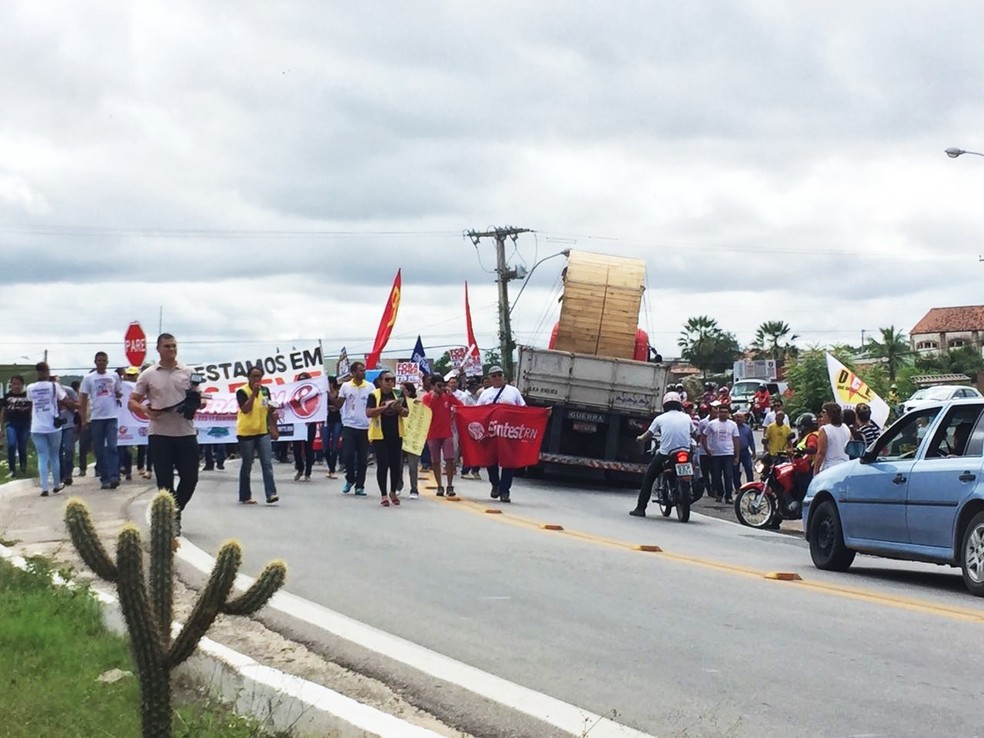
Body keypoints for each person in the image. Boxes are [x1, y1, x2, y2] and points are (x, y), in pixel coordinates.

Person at [129, 333, 203, 535]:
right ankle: (168, 520)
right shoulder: (148, 374)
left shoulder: (188, 372)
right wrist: (145, 409)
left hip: (185, 432)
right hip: (160, 433)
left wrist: (196, 403)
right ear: (158, 349)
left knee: (190, 478)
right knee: (165, 480)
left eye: (174, 346)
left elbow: (201, 397)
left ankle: (174, 512)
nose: (171, 349)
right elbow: (132, 401)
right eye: (167, 346)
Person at [630, 391, 695, 517]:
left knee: (649, 477)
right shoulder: (686, 417)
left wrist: (640, 439)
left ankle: (640, 508)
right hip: (685, 451)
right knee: (694, 472)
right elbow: (693, 432)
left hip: (666, 453)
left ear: (665, 405)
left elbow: (648, 434)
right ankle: (692, 485)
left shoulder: (660, 418)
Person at [476, 365, 526, 503]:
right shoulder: (485, 394)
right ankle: (495, 485)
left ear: (504, 376)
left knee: (508, 462)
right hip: (491, 434)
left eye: (499, 375)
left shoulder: (513, 392)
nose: (497, 378)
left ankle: (505, 491)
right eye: (494, 376)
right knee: (490, 461)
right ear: (489, 379)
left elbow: (523, 409)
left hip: (508, 433)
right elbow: (477, 412)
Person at [26, 362, 74, 497]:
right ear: (47, 372)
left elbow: (30, 400)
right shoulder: (54, 386)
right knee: (54, 456)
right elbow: (65, 399)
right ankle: (57, 484)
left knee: (42, 457)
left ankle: (44, 488)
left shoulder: (30, 388)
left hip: (36, 427)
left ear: (37, 372)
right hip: (53, 426)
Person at [79, 351, 123, 490]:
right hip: (96, 418)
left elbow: (118, 392)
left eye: (104, 360)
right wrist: (83, 419)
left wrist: (117, 395)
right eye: (99, 360)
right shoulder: (88, 378)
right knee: (98, 449)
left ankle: (114, 476)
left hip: (111, 417)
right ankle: (104, 478)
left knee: (112, 447)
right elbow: (84, 399)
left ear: (107, 362)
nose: (101, 363)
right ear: (95, 362)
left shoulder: (114, 376)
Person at [235, 366, 279, 504]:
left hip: (262, 432)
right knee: (247, 464)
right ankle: (245, 495)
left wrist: (274, 426)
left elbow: (269, 408)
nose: (257, 379)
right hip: (246, 433)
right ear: (248, 377)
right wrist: (253, 394)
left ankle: (271, 494)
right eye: (254, 376)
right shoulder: (242, 391)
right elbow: (245, 409)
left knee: (267, 463)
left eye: (259, 376)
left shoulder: (265, 391)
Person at [366, 370, 409, 507]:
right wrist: (385, 407)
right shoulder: (374, 395)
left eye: (392, 380)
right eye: (387, 380)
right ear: (380, 382)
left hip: (396, 434)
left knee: (396, 465)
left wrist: (399, 409)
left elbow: (406, 412)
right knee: (383, 464)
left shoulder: (398, 394)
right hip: (380, 435)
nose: (390, 382)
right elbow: (369, 412)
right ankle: (383, 494)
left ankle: (393, 492)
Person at [335, 361, 373, 495]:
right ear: (353, 373)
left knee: (363, 459)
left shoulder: (370, 387)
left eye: (364, 370)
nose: (363, 372)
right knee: (348, 455)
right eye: (361, 370)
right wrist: (329, 394)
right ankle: (350, 479)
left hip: (365, 427)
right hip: (349, 426)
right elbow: (339, 404)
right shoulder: (345, 386)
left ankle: (360, 486)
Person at [422, 373, 462, 497]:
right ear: (433, 386)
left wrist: (451, 395)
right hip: (432, 433)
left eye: (442, 385)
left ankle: (450, 485)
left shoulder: (447, 396)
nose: (441, 388)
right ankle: (439, 485)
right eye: (439, 386)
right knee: (435, 461)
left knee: (449, 459)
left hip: (446, 433)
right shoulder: (427, 397)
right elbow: (425, 412)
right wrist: (434, 397)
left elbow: (460, 406)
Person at [701, 403, 740, 503]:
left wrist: (737, 455)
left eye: (725, 412)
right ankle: (719, 493)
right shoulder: (712, 424)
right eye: (721, 412)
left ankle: (728, 496)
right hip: (715, 454)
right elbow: (704, 436)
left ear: (728, 413)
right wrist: (707, 449)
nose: (723, 414)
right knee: (716, 475)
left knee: (728, 475)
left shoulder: (733, 425)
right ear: (718, 413)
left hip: (728, 453)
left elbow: (736, 439)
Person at [2, 374, 31, 478]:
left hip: (25, 424)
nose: (16, 386)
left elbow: (32, 411)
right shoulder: (7, 396)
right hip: (11, 424)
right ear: (11, 385)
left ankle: (23, 467)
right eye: (14, 384)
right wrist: (1, 428)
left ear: (22, 385)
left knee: (22, 446)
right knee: (11, 445)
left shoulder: (27, 396)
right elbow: (3, 412)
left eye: (19, 384)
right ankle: (12, 469)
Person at [53, 376, 79, 487]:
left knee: (68, 450)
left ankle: (68, 473)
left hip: (69, 423)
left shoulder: (68, 391)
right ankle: (61, 475)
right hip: (55, 425)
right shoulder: (49, 393)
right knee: (57, 451)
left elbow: (77, 405)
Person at [292, 372, 317, 481]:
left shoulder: (315, 393)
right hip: (298, 423)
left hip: (310, 423)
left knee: (308, 448)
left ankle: (308, 472)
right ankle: (300, 469)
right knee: (296, 448)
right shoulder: (293, 393)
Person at [814, 402, 852, 474]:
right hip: (846, 466)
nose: (821, 414)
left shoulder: (824, 429)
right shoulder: (846, 428)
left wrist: (815, 471)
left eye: (823, 412)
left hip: (830, 468)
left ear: (829, 414)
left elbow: (821, 452)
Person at [321, 376, 343, 479]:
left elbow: (340, 405)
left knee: (334, 446)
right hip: (326, 421)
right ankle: (330, 466)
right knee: (325, 447)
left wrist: (333, 402)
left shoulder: (339, 393)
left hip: (337, 421)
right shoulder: (323, 395)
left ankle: (332, 469)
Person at [733, 411, 756, 488]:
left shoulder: (747, 428)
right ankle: (737, 487)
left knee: (749, 468)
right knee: (735, 470)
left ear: (744, 419)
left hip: (745, 451)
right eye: (737, 417)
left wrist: (753, 451)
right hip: (734, 452)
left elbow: (751, 440)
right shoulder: (732, 427)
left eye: (741, 417)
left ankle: (750, 485)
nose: (739, 419)